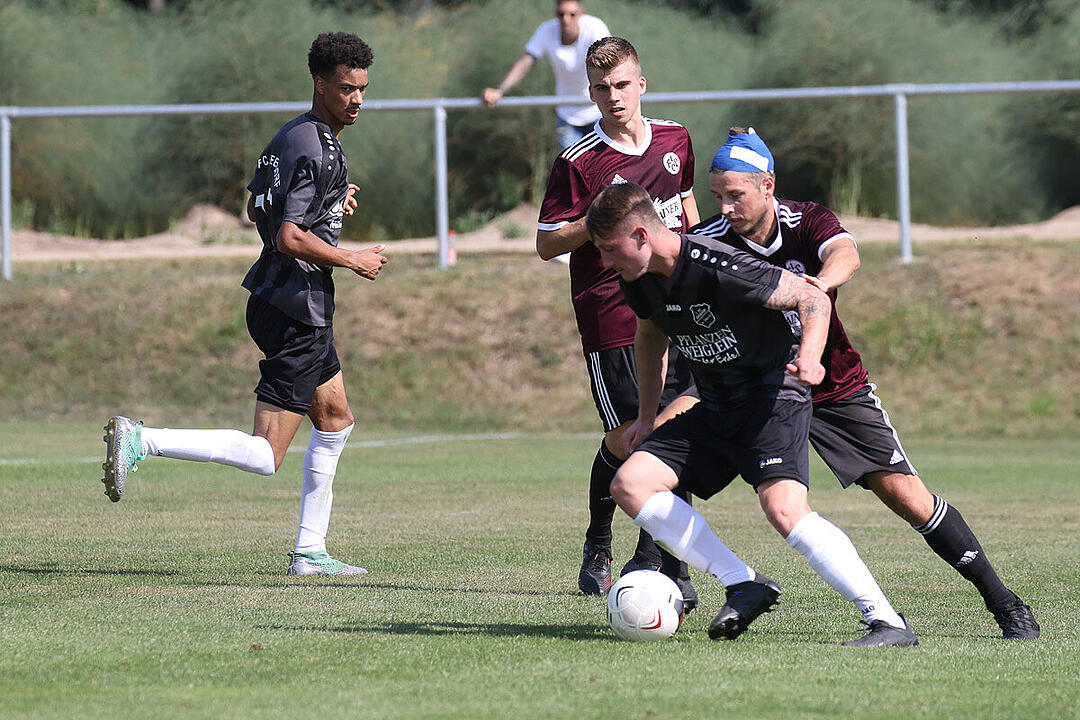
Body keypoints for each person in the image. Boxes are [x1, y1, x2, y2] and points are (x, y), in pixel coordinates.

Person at [691, 127, 1040, 640]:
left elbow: (846, 255)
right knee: (674, 471)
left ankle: (1003, 601)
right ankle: (670, 586)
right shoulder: (712, 243)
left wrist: (818, 285)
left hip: (833, 386)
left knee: (907, 497)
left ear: (768, 185)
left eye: (735, 194)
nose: (725, 206)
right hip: (759, 394)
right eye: (717, 195)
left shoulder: (806, 220)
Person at [99, 32, 388, 578]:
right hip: (297, 306)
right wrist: (351, 258)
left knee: (335, 418)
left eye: (364, 89)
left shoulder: (292, 135)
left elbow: (265, 205)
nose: (357, 100)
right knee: (265, 455)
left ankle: (310, 551)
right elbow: (288, 236)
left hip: (279, 297)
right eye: (347, 89)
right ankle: (143, 439)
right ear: (320, 83)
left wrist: (332, 204)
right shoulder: (316, 144)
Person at [587, 180, 920, 646]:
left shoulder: (718, 265)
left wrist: (810, 358)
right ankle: (744, 583)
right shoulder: (638, 280)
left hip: (771, 399)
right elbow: (649, 337)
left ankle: (887, 621)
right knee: (631, 484)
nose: (603, 261)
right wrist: (646, 416)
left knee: (784, 510)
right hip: (715, 404)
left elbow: (814, 298)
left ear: (641, 235)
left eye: (608, 248)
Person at [536, 36, 705, 601]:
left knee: (678, 428)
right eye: (601, 88)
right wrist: (603, 217)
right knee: (631, 435)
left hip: (676, 304)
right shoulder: (579, 162)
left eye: (622, 85)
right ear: (590, 92)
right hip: (608, 311)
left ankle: (663, 560)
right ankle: (600, 537)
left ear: (642, 84)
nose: (613, 96)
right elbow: (545, 242)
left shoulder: (676, 139)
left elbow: (688, 213)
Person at [482, 0, 610, 150]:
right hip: (567, 114)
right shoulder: (547, 30)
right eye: (561, 14)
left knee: (605, 168)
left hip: (598, 111)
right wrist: (499, 91)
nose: (566, 20)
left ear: (581, 14)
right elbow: (525, 62)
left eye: (572, 14)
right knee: (571, 170)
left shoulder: (595, 27)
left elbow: (610, 62)